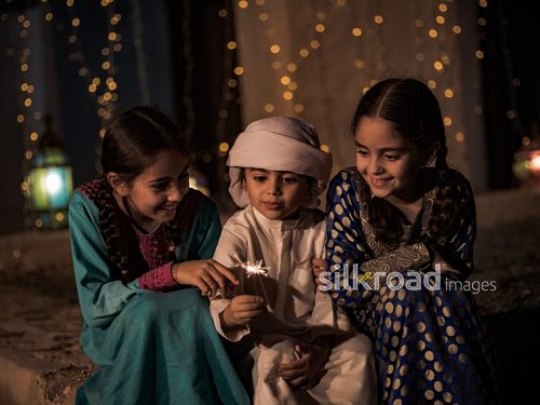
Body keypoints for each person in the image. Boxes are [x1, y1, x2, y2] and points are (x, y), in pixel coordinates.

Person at [323, 78, 501, 404]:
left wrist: (399, 272)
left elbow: (458, 272)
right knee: (405, 293)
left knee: (434, 291)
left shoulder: (452, 191)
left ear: (427, 152)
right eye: (362, 151)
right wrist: (420, 254)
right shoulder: (349, 190)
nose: (373, 167)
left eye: (390, 155)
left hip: (440, 311)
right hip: (376, 319)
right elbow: (342, 283)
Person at [68, 106, 250, 405]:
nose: (178, 193)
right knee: (150, 309)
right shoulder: (89, 207)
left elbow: (217, 297)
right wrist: (172, 273)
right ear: (119, 183)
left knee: (191, 305)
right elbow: (95, 305)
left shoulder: (200, 211)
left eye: (182, 177)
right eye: (161, 185)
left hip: (191, 331)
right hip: (122, 335)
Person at [210, 116, 377, 405]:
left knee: (358, 349)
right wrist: (231, 313)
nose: (273, 190)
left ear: (309, 185)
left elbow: (330, 292)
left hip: (319, 335)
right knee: (280, 355)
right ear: (243, 180)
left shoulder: (322, 229)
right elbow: (221, 289)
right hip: (262, 340)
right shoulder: (239, 231)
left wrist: (320, 348)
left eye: (288, 179)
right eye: (260, 178)